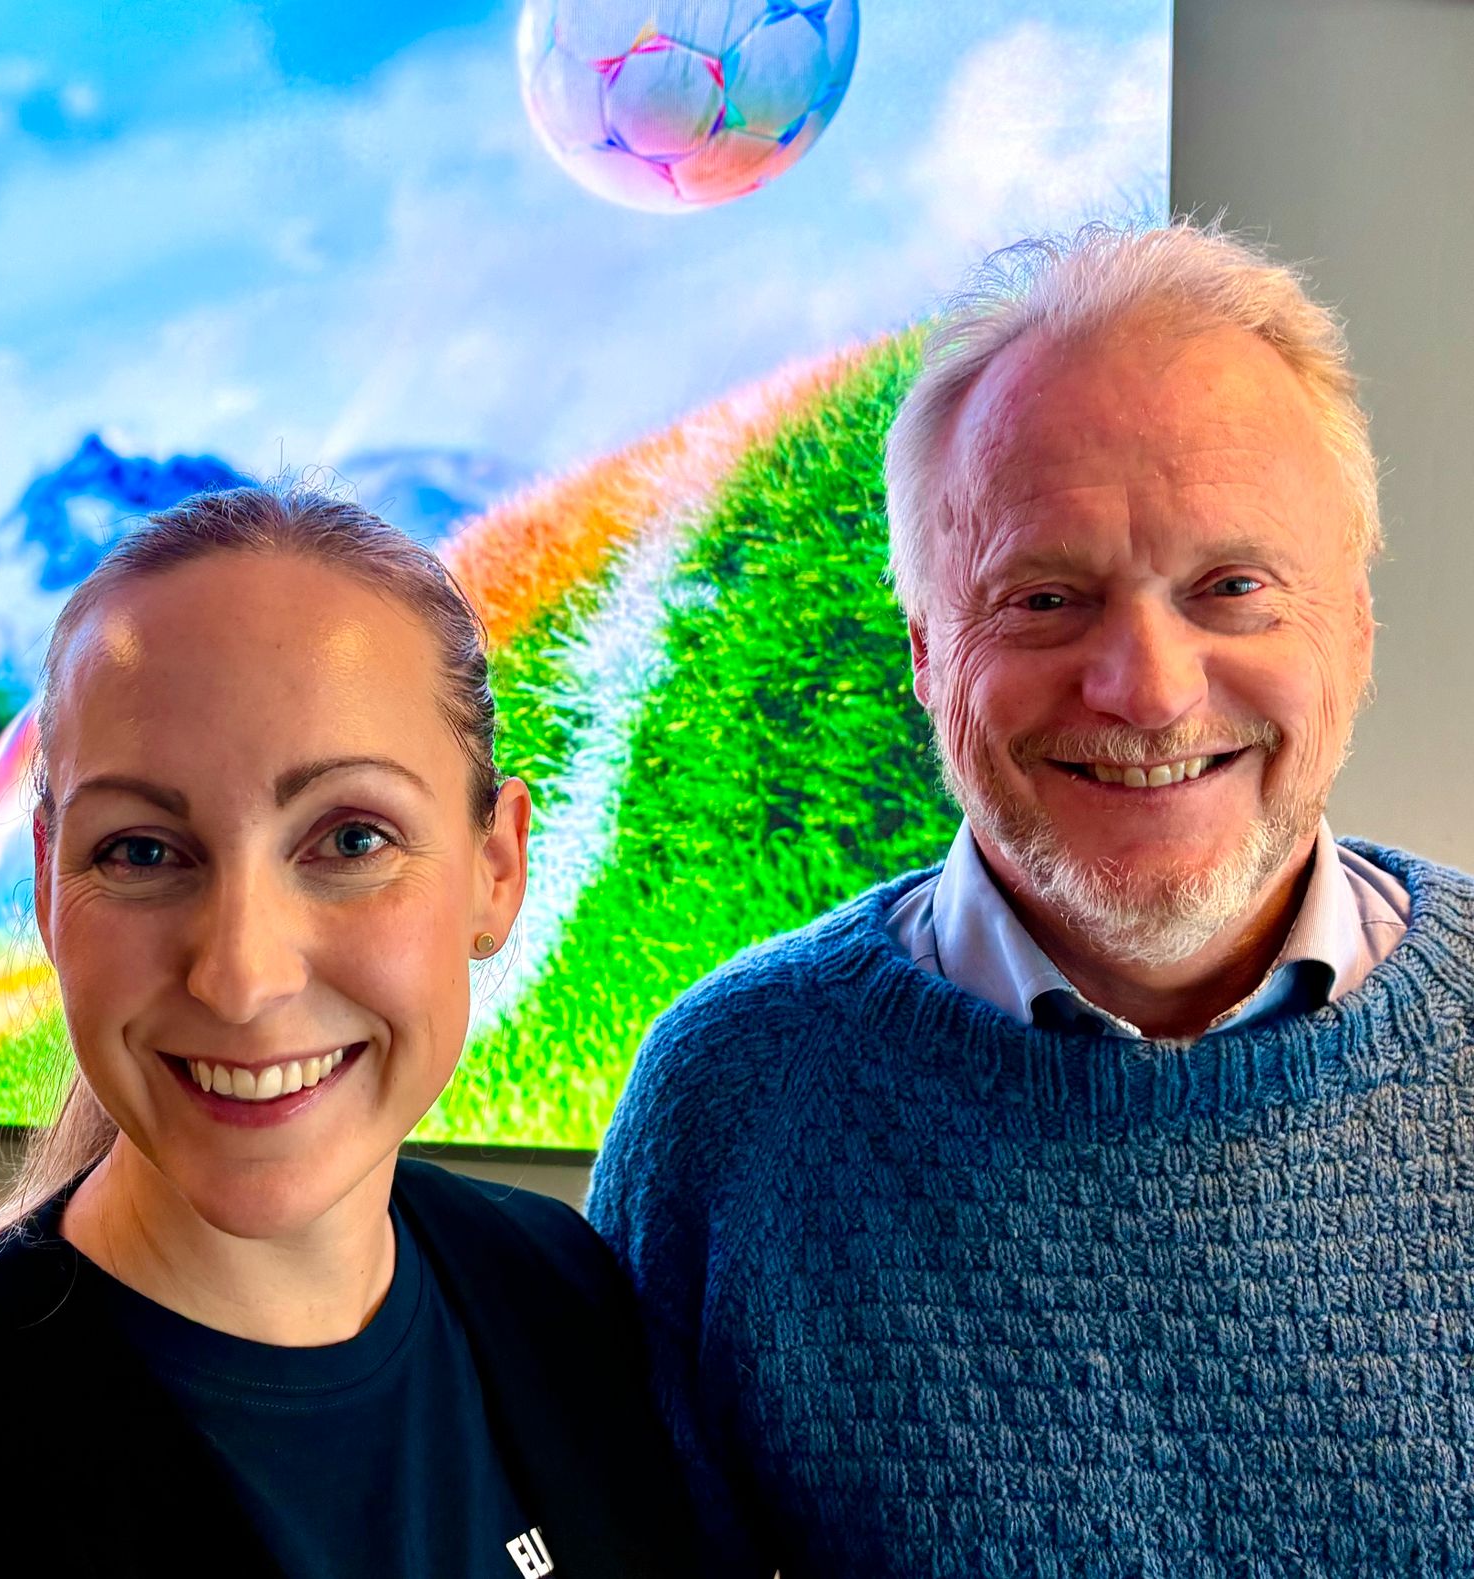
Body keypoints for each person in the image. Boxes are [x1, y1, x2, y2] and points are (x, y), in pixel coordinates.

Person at [589, 221, 1474, 1575]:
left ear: (1351, 626)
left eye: (1232, 587)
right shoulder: (729, 1103)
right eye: (1047, 597)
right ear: (928, 653)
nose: (1149, 689)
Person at [0, 487, 704, 1578]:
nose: (240, 976)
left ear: (495, 868)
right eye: (141, 851)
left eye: (350, 837)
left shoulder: (565, 1301)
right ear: (44, 884)